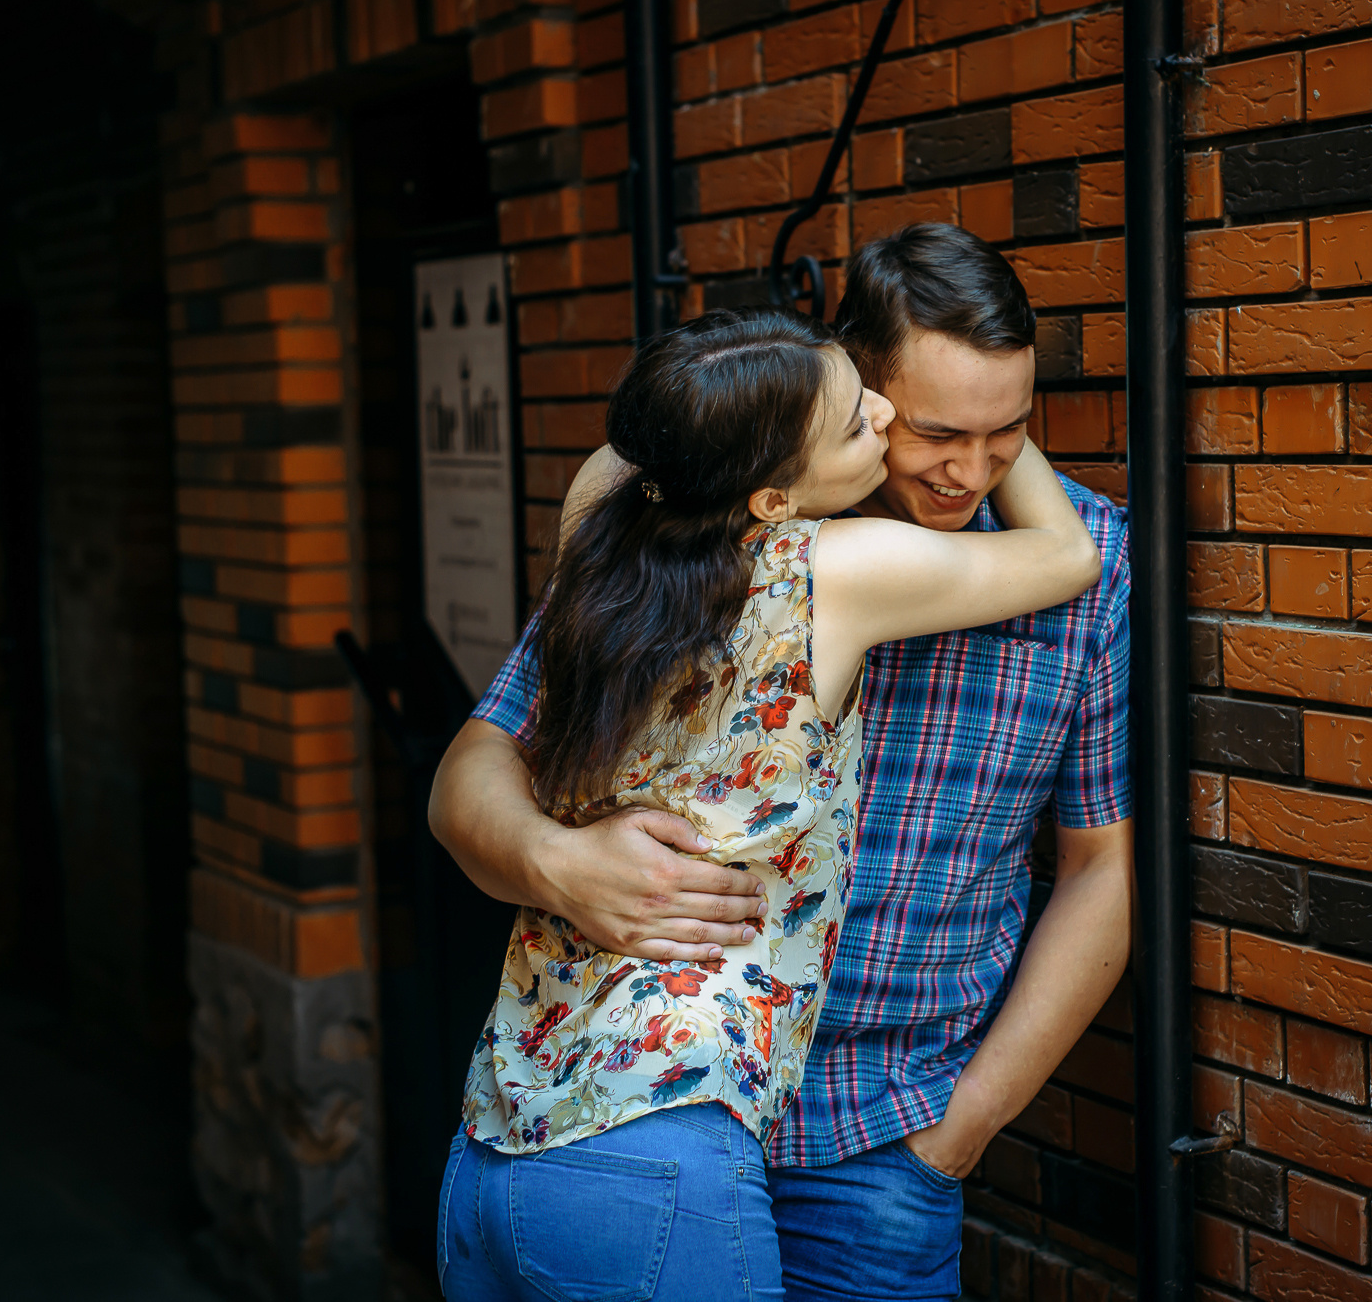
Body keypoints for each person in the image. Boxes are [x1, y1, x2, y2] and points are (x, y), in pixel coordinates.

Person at [429, 223, 1135, 1302]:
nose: (967, 467)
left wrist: (962, 1125)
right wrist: (549, 859)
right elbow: (479, 761)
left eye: (1008, 432)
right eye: (932, 427)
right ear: (862, 393)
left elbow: (1101, 867)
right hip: (660, 1110)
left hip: (870, 1132)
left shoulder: (649, 519)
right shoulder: (687, 532)